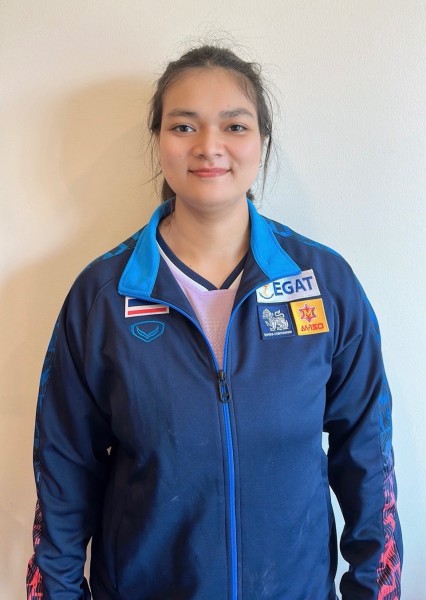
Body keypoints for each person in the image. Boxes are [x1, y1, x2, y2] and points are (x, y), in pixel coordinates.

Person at [27, 44, 402, 600]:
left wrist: (375, 590)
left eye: (234, 125)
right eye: (184, 126)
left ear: (261, 141)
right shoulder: (102, 296)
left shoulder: (326, 284)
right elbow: (64, 472)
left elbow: (368, 455)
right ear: (158, 140)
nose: (208, 146)